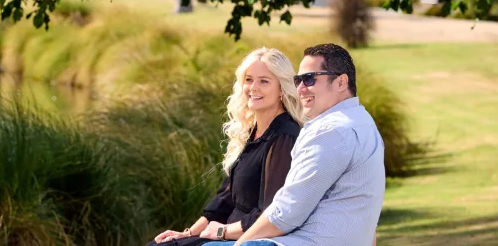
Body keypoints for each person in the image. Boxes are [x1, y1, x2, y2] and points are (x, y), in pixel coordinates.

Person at [220, 43, 386, 246]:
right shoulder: (364, 122)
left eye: (309, 79)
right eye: (298, 80)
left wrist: (238, 243)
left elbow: (286, 214)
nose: (300, 88)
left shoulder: (330, 131)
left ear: (341, 82)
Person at [147, 48, 306, 246]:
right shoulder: (253, 131)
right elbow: (225, 197)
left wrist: (222, 232)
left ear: (282, 88)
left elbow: (271, 212)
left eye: (264, 81)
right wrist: (187, 233)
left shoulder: (284, 136)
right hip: (223, 235)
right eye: (249, 80)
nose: (253, 87)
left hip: (247, 240)